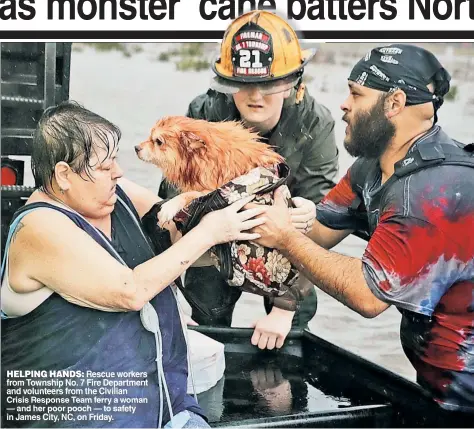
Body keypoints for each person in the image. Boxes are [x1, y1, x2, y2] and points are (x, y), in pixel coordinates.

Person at [0, 101, 267, 428]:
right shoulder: (38, 227)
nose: (119, 171)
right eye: (103, 165)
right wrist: (212, 232)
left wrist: (278, 218)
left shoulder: (113, 194)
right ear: (64, 175)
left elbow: (181, 229)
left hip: (169, 409)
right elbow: (130, 290)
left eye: (115, 159)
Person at [248, 44, 474, 420]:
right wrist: (279, 213)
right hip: (439, 385)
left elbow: (368, 297)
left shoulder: (429, 193)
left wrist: (284, 238)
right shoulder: (373, 166)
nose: (343, 105)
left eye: (356, 93)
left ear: (395, 103)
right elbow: (319, 232)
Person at [158, 10, 339, 346]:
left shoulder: (316, 125)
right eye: (243, 84)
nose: (255, 95)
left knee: (293, 325)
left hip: (284, 240)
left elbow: (321, 220)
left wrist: (284, 309)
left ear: (291, 85)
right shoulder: (205, 113)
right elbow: (173, 192)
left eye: (268, 84)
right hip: (215, 232)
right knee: (205, 317)